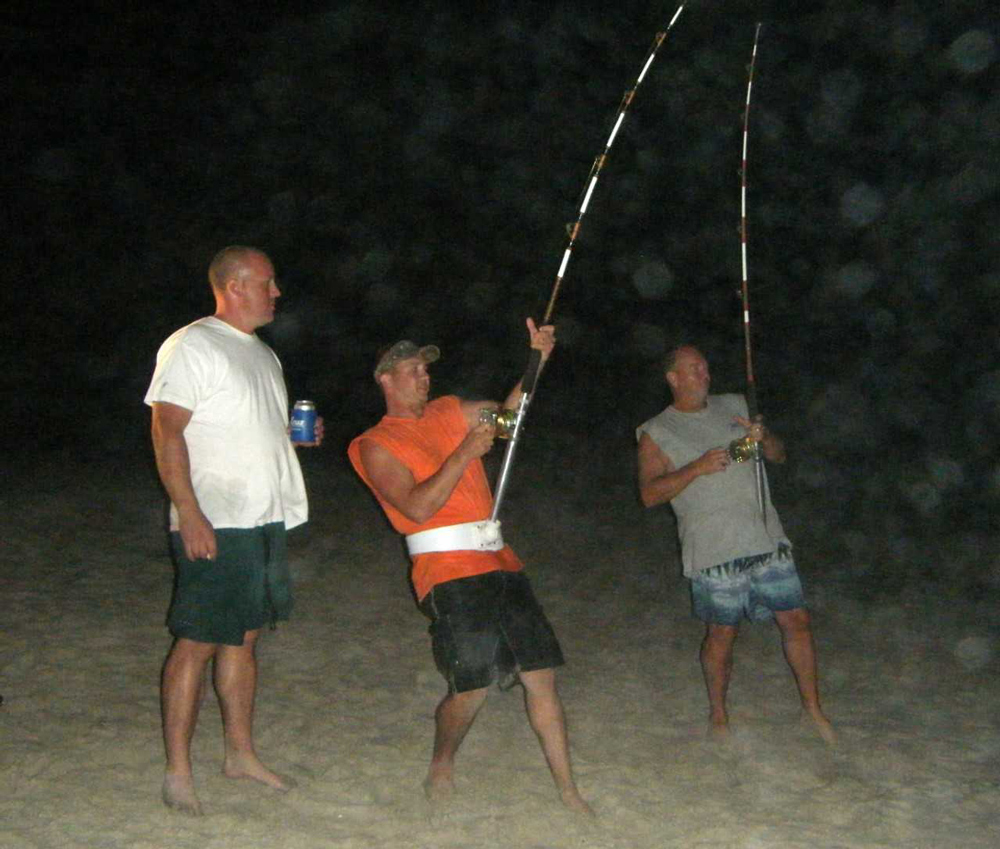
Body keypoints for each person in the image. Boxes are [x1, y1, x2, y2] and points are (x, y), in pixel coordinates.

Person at [347, 320, 591, 814]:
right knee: (472, 686)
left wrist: (535, 361)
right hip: (445, 569)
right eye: (410, 369)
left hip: (499, 558)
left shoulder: (450, 410)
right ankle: (442, 762)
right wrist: (462, 454)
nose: (422, 377)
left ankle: (569, 790)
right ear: (385, 380)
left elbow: (507, 417)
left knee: (540, 674)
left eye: (424, 369)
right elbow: (415, 508)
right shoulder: (374, 444)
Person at [144, 246, 323, 815]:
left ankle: (239, 754)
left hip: (262, 516)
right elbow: (167, 431)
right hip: (216, 519)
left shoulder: (264, 355)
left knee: (243, 637)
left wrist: (293, 439)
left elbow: (246, 430)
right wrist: (189, 511)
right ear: (236, 285)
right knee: (195, 641)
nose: (277, 293)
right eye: (268, 283)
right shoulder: (193, 344)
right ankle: (178, 770)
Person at [636, 344, 834, 744]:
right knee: (722, 634)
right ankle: (719, 714)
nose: (704, 374)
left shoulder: (734, 404)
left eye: (706, 367)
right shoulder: (657, 431)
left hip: (765, 537)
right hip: (713, 549)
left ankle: (813, 710)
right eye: (694, 369)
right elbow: (649, 495)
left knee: (796, 621)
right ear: (673, 378)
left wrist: (763, 439)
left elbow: (779, 455)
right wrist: (696, 468)